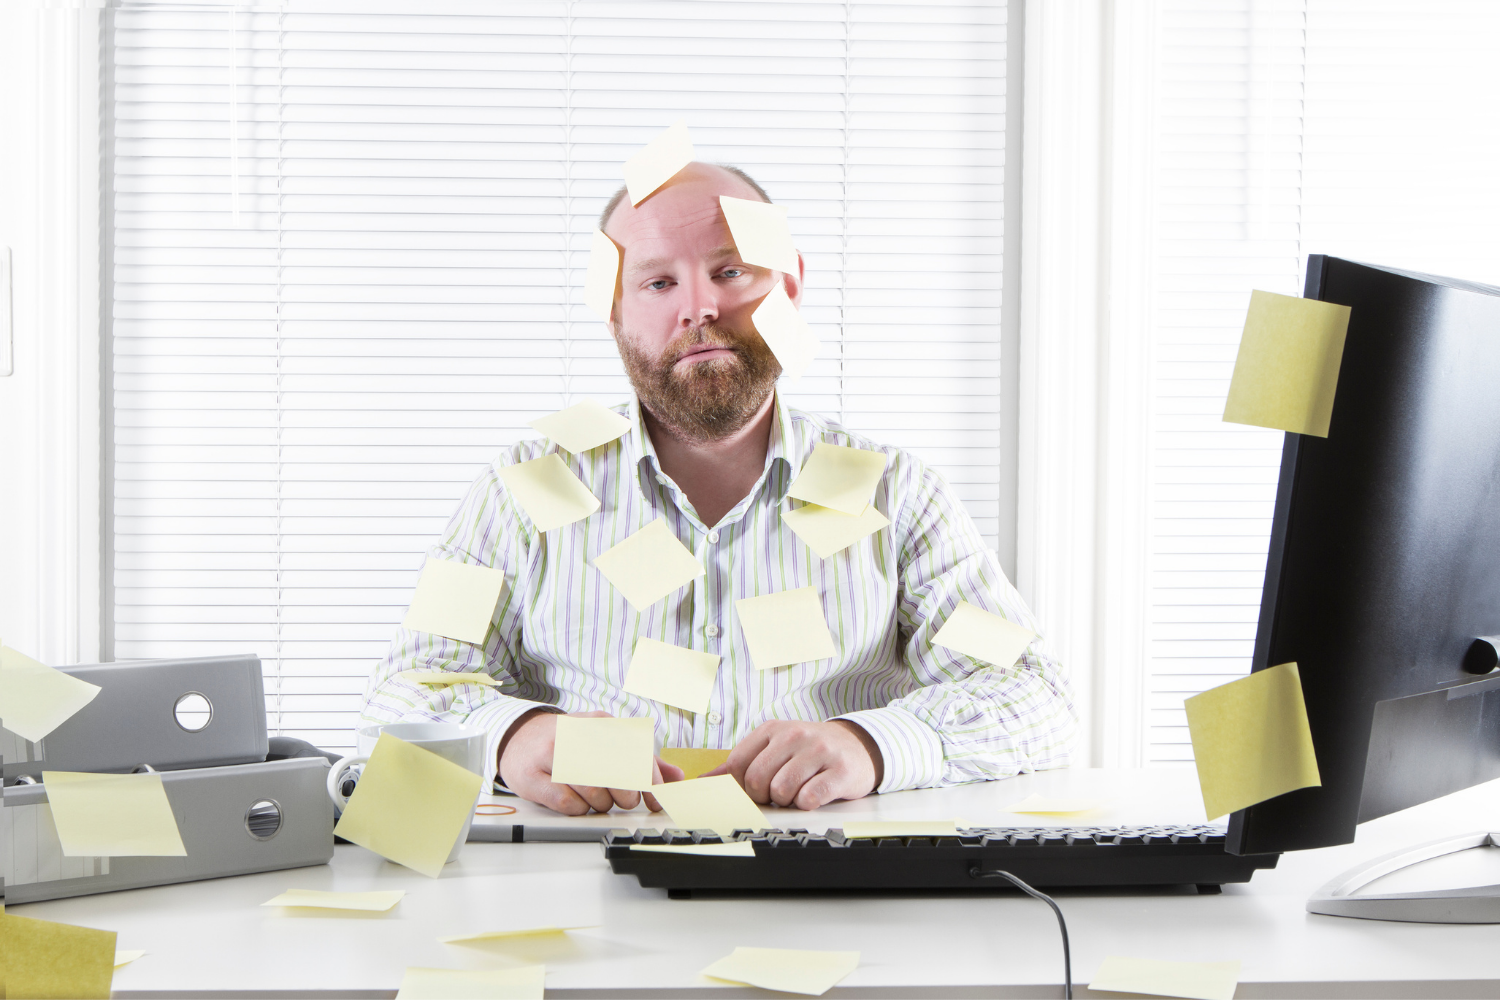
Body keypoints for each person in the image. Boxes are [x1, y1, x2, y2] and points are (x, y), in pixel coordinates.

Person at [360, 162, 1076, 816]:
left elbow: (1036, 697)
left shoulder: (897, 495)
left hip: (829, 891)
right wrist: (513, 737)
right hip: (582, 889)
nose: (698, 309)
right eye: (658, 283)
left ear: (788, 288)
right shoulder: (525, 486)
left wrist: (874, 745)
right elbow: (404, 691)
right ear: (615, 315)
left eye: (730, 272)